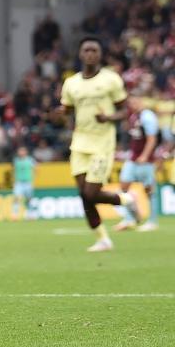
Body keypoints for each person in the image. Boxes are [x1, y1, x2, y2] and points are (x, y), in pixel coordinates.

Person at [58, 37, 140, 252]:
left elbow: (125, 110)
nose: (90, 54)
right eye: (87, 50)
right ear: (80, 54)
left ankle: (127, 200)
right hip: (79, 143)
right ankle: (103, 239)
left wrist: (109, 118)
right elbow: (65, 113)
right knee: (83, 195)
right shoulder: (71, 84)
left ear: (100, 55)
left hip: (102, 143)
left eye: (95, 50)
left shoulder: (111, 80)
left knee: (92, 193)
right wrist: (56, 115)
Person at [114, 97, 160, 232]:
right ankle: (129, 219)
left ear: (142, 101)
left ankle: (152, 221)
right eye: (131, 103)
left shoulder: (148, 116)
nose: (133, 105)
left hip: (146, 160)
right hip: (133, 158)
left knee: (149, 190)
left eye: (135, 102)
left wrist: (145, 155)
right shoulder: (134, 116)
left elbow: (152, 139)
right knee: (123, 186)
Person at [11, 146, 36, 219]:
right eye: (20, 151)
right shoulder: (16, 161)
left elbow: (36, 168)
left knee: (28, 199)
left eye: (22, 151)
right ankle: (15, 215)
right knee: (16, 197)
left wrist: (33, 178)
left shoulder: (30, 160)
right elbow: (13, 170)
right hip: (19, 183)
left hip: (28, 182)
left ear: (26, 152)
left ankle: (30, 214)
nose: (21, 153)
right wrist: (14, 181)